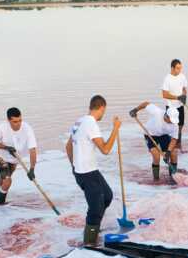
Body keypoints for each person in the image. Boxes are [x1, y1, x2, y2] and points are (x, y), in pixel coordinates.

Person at [66, 95, 122, 246]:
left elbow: (68, 146)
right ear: (102, 108)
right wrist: (115, 129)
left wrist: (74, 166)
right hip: (86, 173)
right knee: (95, 209)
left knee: (107, 196)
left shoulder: (79, 121)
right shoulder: (91, 123)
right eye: (105, 110)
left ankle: (93, 228)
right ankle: (89, 244)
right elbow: (105, 149)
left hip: (87, 171)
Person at [0, 107, 38, 206]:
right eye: (15, 121)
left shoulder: (27, 129)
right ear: (8, 120)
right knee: (7, 180)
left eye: (20, 120)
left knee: (5, 177)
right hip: (0, 156)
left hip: (15, 158)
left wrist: (32, 169)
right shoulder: (1, 128)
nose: (18, 124)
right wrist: (6, 147)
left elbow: (32, 150)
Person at [129, 101, 179, 180]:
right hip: (150, 134)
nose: (172, 122)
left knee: (173, 153)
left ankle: (173, 177)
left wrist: (168, 152)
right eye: (171, 120)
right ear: (166, 116)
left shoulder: (175, 124)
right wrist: (135, 110)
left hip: (163, 135)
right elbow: (146, 104)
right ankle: (156, 179)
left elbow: (174, 139)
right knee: (156, 155)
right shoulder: (157, 112)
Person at [160, 58, 187, 148]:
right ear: (172, 68)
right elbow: (164, 94)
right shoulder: (167, 79)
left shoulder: (182, 76)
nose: (179, 70)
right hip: (171, 107)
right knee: (171, 127)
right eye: (177, 68)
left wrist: (184, 96)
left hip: (180, 106)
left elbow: (184, 88)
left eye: (180, 68)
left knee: (180, 126)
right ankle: (169, 146)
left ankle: (178, 145)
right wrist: (177, 97)